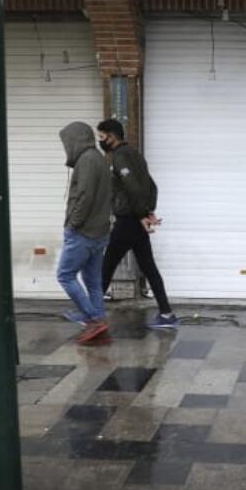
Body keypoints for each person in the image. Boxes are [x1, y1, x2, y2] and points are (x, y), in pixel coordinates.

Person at [96, 119, 178, 330]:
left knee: (107, 266)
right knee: (148, 267)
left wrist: (142, 213)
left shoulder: (120, 156)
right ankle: (167, 313)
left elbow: (132, 186)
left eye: (102, 136)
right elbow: (150, 185)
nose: (100, 140)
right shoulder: (136, 154)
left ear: (113, 136)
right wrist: (149, 210)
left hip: (128, 221)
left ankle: (92, 315)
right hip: (136, 219)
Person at [58, 121, 116, 344]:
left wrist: (73, 224)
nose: (66, 147)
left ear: (75, 140)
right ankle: (98, 318)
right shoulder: (98, 159)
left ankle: (94, 320)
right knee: (92, 279)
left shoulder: (87, 160)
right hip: (100, 231)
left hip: (84, 231)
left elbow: (84, 196)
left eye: (67, 142)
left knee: (65, 275)